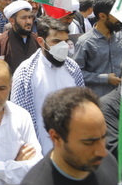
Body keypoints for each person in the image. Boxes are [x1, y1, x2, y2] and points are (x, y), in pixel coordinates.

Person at [14, 87, 117, 185]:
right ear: (56, 138)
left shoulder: (108, 162)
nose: (102, 152)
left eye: (104, 137)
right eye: (89, 143)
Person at [11, 16, 84, 154]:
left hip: (72, 149)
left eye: (65, 41)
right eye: (56, 41)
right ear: (41, 41)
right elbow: (18, 119)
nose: (62, 46)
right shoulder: (26, 72)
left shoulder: (73, 68)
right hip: (40, 151)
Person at [71, 0, 122, 98]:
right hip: (99, 100)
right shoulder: (85, 42)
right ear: (102, 16)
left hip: (120, 98)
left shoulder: (119, 36)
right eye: (115, 15)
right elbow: (77, 73)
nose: (119, 19)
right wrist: (105, 78)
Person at [0, 0, 39, 74]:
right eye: (24, 18)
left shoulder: (37, 40)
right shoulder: (0, 42)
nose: (29, 21)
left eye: (30, 17)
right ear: (12, 21)